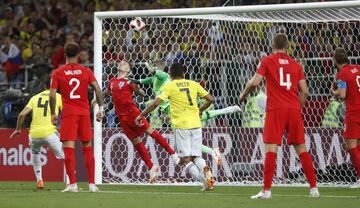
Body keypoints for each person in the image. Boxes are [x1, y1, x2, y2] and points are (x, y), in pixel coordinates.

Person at [239, 33, 319, 198]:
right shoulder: (296, 65)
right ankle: (314, 188)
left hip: (276, 109)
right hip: (293, 109)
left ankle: (267, 190)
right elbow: (305, 91)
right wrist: (297, 107)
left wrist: (243, 95)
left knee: (270, 148)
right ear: (287, 46)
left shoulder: (267, 60)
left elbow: (254, 82)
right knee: (301, 149)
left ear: (272, 45)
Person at [137, 60, 241, 166]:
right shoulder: (160, 80)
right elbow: (145, 80)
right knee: (200, 123)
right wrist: (135, 81)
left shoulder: (165, 78)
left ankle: (228, 112)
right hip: (185, 113)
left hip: (175, 110)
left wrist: (153, 71)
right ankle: (228, 111)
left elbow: (159, 75)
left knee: (186, 152)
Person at [136, 63, 215, 191]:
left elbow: (156, 103)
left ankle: (204, 181)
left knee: (185, 159)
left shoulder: (169, 86)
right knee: (197, 156)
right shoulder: (193, 84)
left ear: (171, 74)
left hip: (181, 126)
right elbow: (211, 99)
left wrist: (141, 115)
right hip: (196, 124)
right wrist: (200, 110)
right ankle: (205, 168)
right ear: (183, 73)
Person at [99, 60, 179, 183]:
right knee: (136, 142)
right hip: (121, 117)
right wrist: (97, 101)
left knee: (150, 132)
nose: (123, 62)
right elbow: (106, 93)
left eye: (125, 63)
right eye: (121, 62)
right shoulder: (112, 81)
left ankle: (172, 153)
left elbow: (141, 94)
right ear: (119, 68)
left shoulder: (129, 81)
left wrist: (138, 88)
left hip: (133, 114)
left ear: (127, 70)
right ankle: (151, 167)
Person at [49, 42, 104, 192]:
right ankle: (92, 184)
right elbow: (98, 89)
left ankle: (73, 184)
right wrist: (101, 109)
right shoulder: (85, 71)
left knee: (68, 148)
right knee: (87, 147)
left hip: (68, 113)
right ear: (78, 55)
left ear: (65, 54)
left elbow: (52, 94)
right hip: (84, 112)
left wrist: (53, 113)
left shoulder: (58, 72)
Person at [10, 75, 64, 189]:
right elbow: (66, 114)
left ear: (43, 86)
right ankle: (70, 182)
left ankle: (39, 180)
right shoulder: (58, 97)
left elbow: (22, 114)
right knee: (67, 155)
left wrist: (18, 129)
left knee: (35, 153)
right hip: (50, 133)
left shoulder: (35, 98)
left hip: (34, 134)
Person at [331, 47, 360, 188]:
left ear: (335, 60)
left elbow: (342, 94)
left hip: (354, 113)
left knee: (351, 147)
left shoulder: (341, 74)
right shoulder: (357, 68)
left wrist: (333, 91)